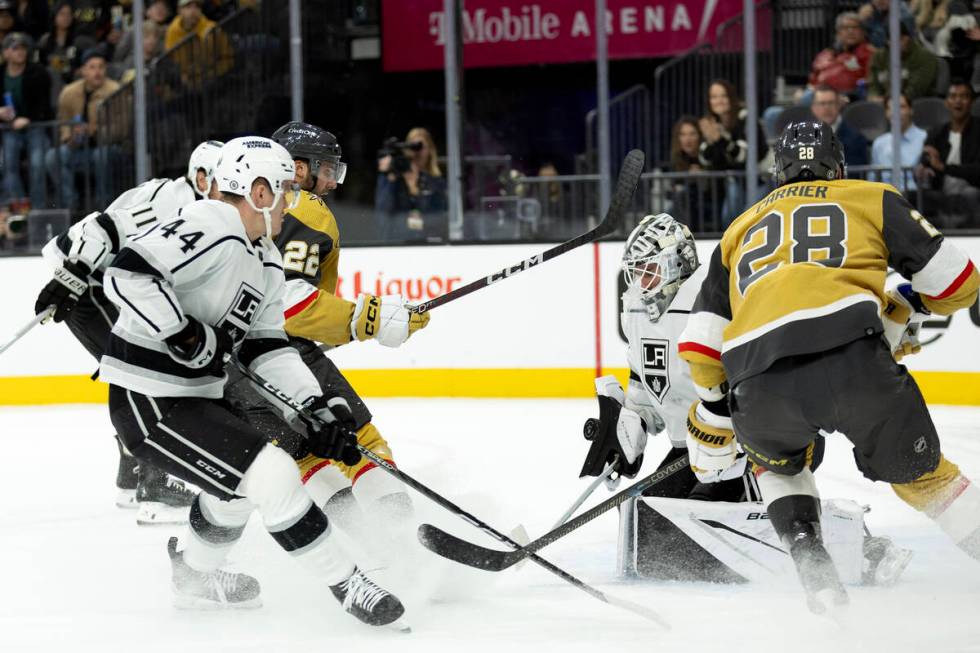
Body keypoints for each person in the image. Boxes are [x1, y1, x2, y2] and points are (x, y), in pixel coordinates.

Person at [97, 136, 406, 626]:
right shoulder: (209, 222)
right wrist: (181, 333)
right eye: (283, 190)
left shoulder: (264, 259)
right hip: (149, 397)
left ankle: (195, 578)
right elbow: (127, 274)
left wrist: (317, 408)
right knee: (274, 474)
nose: (290, 201)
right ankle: (349, 583)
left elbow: (268, 346)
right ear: (258, 193)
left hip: (196, 397)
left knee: (233, 491)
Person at [677, 120, 979, 614]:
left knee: (775, 464)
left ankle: (812, 565)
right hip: (853, 360)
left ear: (778, 172)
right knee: (928, 480)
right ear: (840, 164)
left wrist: (714, 413)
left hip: (758, 382)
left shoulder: (737, 229)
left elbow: (703, 353)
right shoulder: (870, 196)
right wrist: (904, 306)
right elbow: (959, 284)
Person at [581, 213, 911, 585]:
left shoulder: (718, 304)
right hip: (698, 446)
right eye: (635, 273)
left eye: (648, 271)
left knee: (702, 517)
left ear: (677, 264)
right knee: (650, 520)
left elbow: (766, 374)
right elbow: (646, 384)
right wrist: (630, 426)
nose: (640, 284)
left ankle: (861, 549)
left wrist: (744, 426)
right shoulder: (638, 311)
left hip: (757, 440)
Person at [225, 121, 430, 555]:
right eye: (325, 167)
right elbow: (288, 301)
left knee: (306, 454)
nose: (331, 178)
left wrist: (345, 325)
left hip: (230, 366)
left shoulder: (244, 206)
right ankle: (404, 545)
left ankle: (375, 545)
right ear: (297, 169)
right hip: (277, 353)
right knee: (361, 442)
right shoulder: (304, 207)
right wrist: (363, 319)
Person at [34, 140, 224, 524]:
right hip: (88, 285)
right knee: (148, 375)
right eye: (226, 181)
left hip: (101, 286)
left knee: (136, 376)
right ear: (201, 177)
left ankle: (131, 478)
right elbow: (101, 227)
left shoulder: (198, 204)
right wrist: (71, 276)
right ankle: (154, 489)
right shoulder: (173, 201)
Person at [44, 46, 120, 211]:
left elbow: (122, 128)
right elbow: (63, 121)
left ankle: (104, 205)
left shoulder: (115, 91)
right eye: (92, 67)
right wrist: (69, 137)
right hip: (79, 149)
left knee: (102, 155)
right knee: (52, 157)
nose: (97, 72)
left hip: (108, 147)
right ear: (83, 70)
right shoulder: (69, 92)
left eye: (101, 67)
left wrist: (94, 131)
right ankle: (70, 204)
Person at [697, 79, 766, 226]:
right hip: (727, 185)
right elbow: (704, 159)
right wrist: (712, 142)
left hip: (758, 180)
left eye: (723, 96)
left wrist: (720, 140)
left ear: (731, 97)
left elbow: (744, 156)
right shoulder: (711, 122)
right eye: (714, 97)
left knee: (744, 218)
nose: (719, 101)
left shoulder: (745, 118)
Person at [917, 80, 980, 227]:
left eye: (963, 96)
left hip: (972, 189)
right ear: (946, 102)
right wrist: (923, 169)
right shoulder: (937, 132)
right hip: (942, 191)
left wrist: (944, 167)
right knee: (916, 197)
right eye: (953, 96)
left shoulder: (978, 130)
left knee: (970, 194)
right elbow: (927, 160)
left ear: (971, 102)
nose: (958, 101)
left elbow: (977, 171)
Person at [0, 32, 51, 208]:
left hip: (36, 126)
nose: (20, 52)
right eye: (15, 48)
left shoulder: (38, 72)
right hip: (9, 128)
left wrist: (28, 119)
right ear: (5, 53)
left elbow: (45, 104)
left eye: (23, 48)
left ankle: (38, 209)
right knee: (8, 165)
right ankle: (21, 208)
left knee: (37, 165)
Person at [375, 126, 448, 242]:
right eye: (413, 147)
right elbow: (383, 212)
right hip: (398, 242)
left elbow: (438, 217)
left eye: (421, 147)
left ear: (430, 151)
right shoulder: (395, 179)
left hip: (428, 242)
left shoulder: (436, 182)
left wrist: (417, 186)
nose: (417, 153)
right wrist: (389, 177)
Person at [164, 0, 233, 88]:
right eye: (188, 7)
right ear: (179, 10)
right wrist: (181, 76)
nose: (193, 11)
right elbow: (169, 60)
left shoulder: (212, 29)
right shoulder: (172, 31)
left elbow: (227, 58)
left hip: (211, 80)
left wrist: (210, 75)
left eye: (197, 7)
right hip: (184, 84)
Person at [867, 17, 939, 101]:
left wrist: (887, 102)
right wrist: (874, 97)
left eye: (901, 38)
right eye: (893, 40)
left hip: (914, 105)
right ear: (887, 42)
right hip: (884, 104)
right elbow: (873, 84)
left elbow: (916, 90)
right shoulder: (879, 57)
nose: (898, 43)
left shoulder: (925, 57)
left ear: (908, 38)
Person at [36, 2, 92, 105]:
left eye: (69, 14)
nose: (66, 17)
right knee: (52, 72)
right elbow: (41, 64)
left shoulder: (79, 40)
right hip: (52, 79)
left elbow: (83, 62)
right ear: (54, 16)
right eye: (62, 14)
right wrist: (60, 64)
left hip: (73, 78)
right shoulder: (45, 41)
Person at [808, 12, 874, 99]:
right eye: (845, 28)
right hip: (820, 94)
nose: (850, 31)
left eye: (855, 27)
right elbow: (813, 78)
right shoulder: (825, 54)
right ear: (838, 33)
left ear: (862, 32)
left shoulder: (869, 53)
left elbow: (872, 81)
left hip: (852, 97)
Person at [871, 91, 927, 191]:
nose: (895, 112)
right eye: (890, 108)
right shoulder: (879, 144)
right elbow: (872, 180)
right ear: (886, 113)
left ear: (911, 110)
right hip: (886, 201)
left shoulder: (924, 138)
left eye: (901, 107)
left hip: (915, 200)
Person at [667, 116, 715, 229]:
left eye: (692, 134)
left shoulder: (708, 154)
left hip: (708, 203)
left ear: (700, 136)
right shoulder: (677, 159)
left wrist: (703, 175)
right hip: (685, 204)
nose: (687, 139)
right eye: (683, 134)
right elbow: (675, 187)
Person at [811, 85, 869, 167]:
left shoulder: (856, 139)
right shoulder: (804, 139)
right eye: (822, 103)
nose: (827, 108)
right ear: (814, 108)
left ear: (839, 105)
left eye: (831, 103)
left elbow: (855, 175)